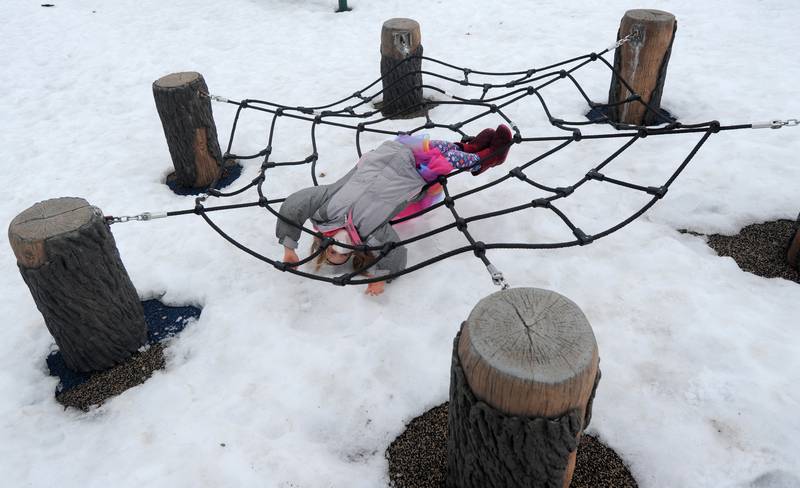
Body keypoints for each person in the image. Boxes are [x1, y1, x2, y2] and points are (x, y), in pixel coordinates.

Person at [276, 124, 513, 295]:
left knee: (440, 147)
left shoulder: (322, 211)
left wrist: (289, 247)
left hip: (386, 155)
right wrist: (380, 277)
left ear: (320, 245)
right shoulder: (369, 233)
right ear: (352, 254)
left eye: (329, 254)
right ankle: (488, 157)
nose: (335, 251)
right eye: (341, 256)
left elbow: (296, 204)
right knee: (449, 160)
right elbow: (395, 254)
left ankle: (472, 146)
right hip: (414, 175)